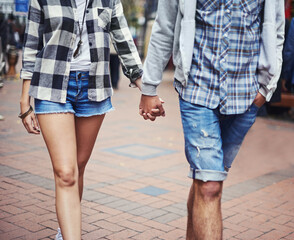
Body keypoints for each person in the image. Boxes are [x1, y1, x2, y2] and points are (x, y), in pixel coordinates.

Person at [139, 0, 284, 239]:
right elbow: (165, 26)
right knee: (210, 185)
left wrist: (266, 87)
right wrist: (149, 87)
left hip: (246, 96)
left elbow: (276, 28)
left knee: (207, 179)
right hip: (197, 91)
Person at [19, 0, 142, 239]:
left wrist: (146, 88)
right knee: (66, 172)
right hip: (51, 85)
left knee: (77, 167)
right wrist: (25, 98)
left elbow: (124, 40)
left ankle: (65, 229)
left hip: (93, 88)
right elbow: (32, 43)